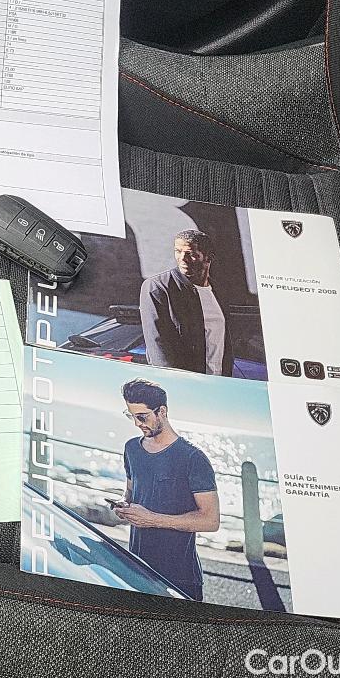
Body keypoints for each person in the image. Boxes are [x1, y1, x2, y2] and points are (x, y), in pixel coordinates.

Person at [115, 378, 220, 601]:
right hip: (137, 569)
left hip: (179, 579)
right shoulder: (131, 448)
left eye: (142, 417)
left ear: (162, 412)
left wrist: (152, 519)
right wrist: (124, 506)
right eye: (131, 416)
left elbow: (210, 520)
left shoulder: (193, 458)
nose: (137, 424)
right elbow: (131, 493)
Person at [139, 229, 233, 376]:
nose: (183, 258)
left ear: (208, 257)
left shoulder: (218, 291)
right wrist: (176, 382)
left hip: (218, 382)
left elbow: (224, 340)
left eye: (190, 253)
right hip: (183, 383)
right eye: (178, 251)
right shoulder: (158, 287)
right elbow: (158, 345)